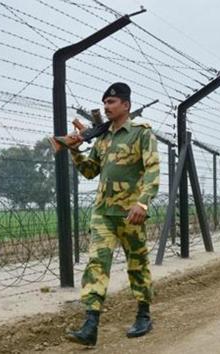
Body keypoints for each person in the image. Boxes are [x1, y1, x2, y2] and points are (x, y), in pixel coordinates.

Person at [64, 83, 160, 346]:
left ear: (126, 105)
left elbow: (152, 169)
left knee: (137, 263)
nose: (106, 107)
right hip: (103, 212)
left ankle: (143, 314)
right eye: (105, 102)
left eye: (111, 102)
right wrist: (74, 149)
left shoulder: (141, 133)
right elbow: (90, 170)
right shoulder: (103, 138)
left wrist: (142, 203)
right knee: (97, 263)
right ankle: (90, 324)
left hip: (131, 213)